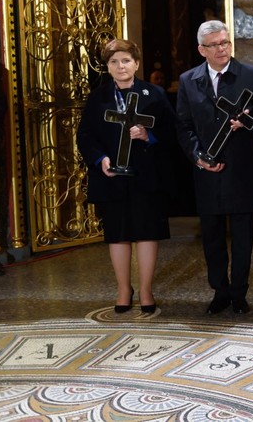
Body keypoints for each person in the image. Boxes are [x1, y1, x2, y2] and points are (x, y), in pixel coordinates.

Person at [76, 39, 177, 314]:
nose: (120, 66)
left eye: (126, 60)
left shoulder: (154, 94)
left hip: (145, 176)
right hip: (112, 176)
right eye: (114, 62)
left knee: (146, 232)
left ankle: (145, 290)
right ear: (107, 67)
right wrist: (101, 159)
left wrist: (149, 135)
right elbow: (85, 135)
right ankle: (123, 289)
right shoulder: (98, 97)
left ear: (136, 63)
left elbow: (173, 132)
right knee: (117, 235)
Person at [177, 20, 253, 315]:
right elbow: (183, 125)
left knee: (243, 237)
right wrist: (197, 156)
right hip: (206, 169)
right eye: (215, 45)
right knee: (212, 235)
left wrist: (249, 118)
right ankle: (220, 290)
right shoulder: (188, 80)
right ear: (202, 49)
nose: (222, 49)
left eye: (226, 42)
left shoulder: (251, 76)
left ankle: (239, 293)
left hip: (241, 169)